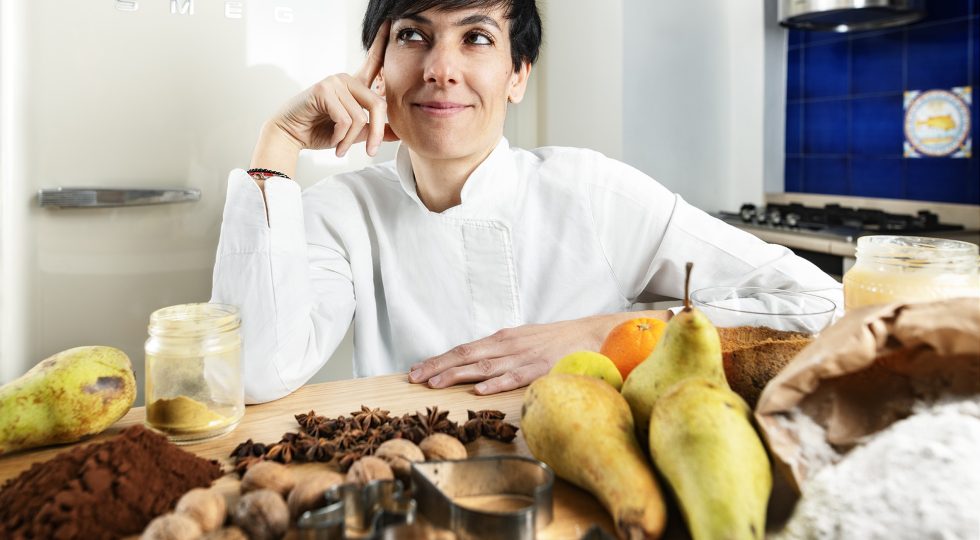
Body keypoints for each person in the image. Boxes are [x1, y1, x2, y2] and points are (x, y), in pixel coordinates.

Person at [211, 0, 842, 404]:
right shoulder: (342, 210)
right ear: (376, 70)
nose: (440, 68)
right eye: (413, 35)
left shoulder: (591, 192)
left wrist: (607, 333)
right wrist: (280, 143)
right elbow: (257, 372)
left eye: (477, 38)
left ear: (518, 75)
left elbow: (819, 304)